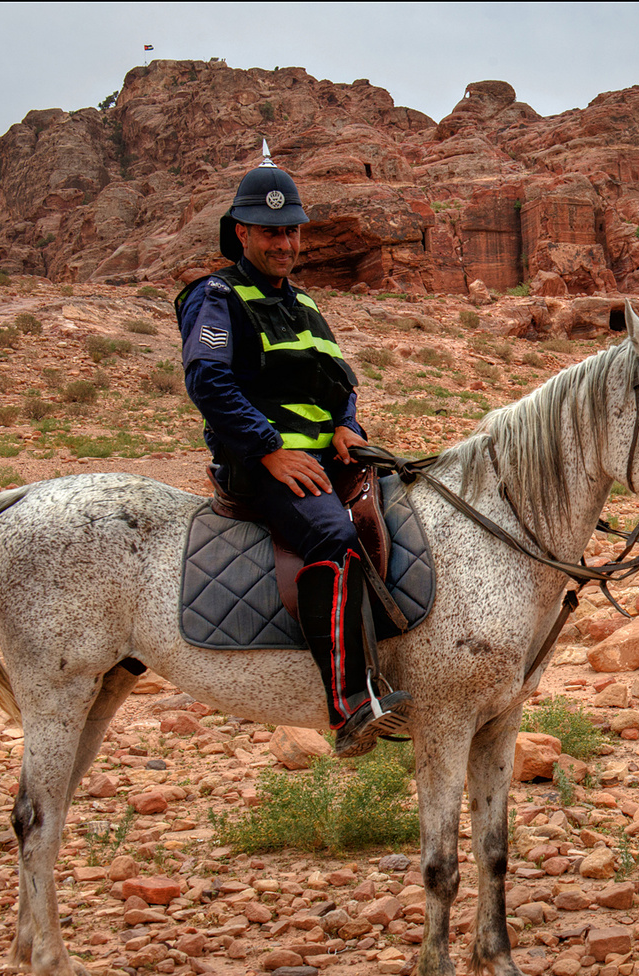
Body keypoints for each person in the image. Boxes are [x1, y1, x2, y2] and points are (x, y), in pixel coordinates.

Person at [174, 145, 410, 757]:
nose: (283, 243)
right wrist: (270, 451)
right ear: (242, 231)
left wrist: (346, 426)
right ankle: (349, 705)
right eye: (270, 231)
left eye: (291, 231)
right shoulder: (217, 298)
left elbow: (338, 383)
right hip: (261, 465)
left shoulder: (302, 302)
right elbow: (209, 382)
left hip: (325, 456)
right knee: (331, 536)